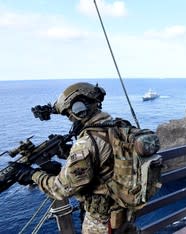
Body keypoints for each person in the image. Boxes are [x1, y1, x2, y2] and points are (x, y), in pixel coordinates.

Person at [11, 82, 160, 233]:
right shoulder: (118, 127)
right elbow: (106, 159)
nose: (70, 119)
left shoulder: (87, 142)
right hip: (125, 213)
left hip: (102, 223)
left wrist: (32, 175)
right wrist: (51, 110)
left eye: (69, 114)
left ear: (79, 110)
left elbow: (61, 189)